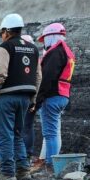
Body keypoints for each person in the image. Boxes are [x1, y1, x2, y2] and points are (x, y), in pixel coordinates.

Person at [0, 14, 42, 180]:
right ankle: (23, 170)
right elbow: (38, 76)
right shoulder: (33, 48)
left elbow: (1, 72)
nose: (1, 35)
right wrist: (34, 97)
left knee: (4, 135)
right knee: (18, 134)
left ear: (7, 31)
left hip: (8, 96)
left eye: (1, 32)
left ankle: (7, 173)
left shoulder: (5, 47)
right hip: (26, 97)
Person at [34, 22, 76, 171]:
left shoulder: (55, 53)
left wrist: (37, 100)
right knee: (55, 132)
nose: (44, 42)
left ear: (50, 36)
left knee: (50, 133)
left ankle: (52, 165)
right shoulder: (67, 52)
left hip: (52, 97)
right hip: (63, 96)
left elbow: (47, 78)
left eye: (45, 39)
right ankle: (54, 164)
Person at [20, 34, 38, 159]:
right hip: (25, 97)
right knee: (25, 126)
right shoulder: (32, 58)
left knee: (26, 126)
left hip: (28, 97)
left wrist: (34, 100)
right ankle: (25, 152)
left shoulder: (32, 60)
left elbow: (38, 80)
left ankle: (27, 153)